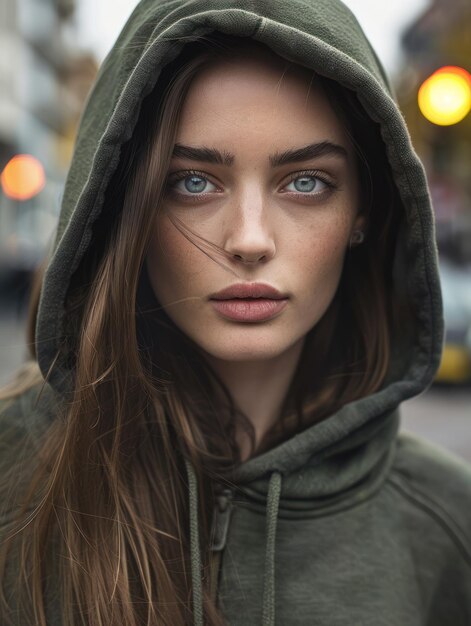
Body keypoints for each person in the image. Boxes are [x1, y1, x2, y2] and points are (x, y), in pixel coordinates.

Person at [1, 0, 470, 624]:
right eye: (193, 182)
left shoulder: (447, 523)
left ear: (364, 209)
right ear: (124, 203)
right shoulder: (13, 476)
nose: (249, 240)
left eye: (305, 182)